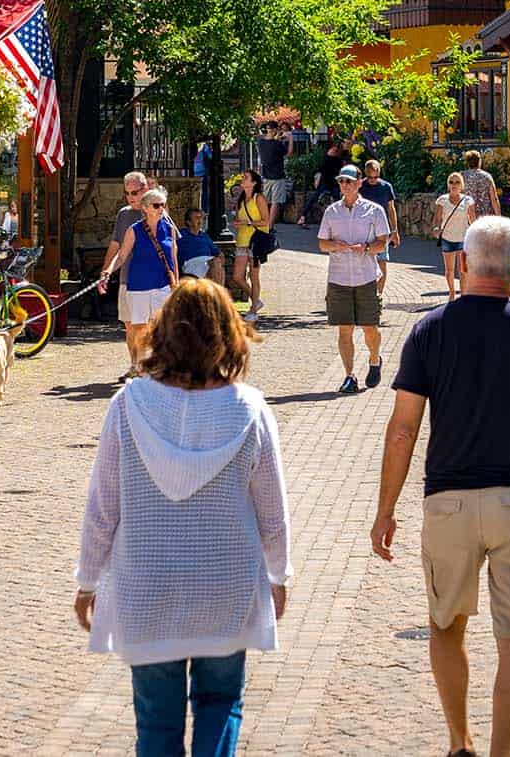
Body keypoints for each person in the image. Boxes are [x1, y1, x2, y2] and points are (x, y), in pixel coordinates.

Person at [371, 218, 510, 757]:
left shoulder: (430, 330)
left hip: (448, 501)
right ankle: (501, 754)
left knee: (446, 625)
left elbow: (403, 429)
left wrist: (386, 509)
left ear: (463, 264)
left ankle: (458, 742)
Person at [76, 279, 292, 757]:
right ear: (227, 334)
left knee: (155, 723)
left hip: (147, 586)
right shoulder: (249, 410)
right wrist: (279, 574)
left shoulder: (127, 406)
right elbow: (272, 512)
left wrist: (88, 580)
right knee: (220, 704)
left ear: (164, 332)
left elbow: (102, 508)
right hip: (225, 584)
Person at [317, 164, 390, 395]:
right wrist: (334, 245)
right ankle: (349, 376)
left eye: (349, 181)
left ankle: (374, 359)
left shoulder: (374, 210)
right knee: (344, 330)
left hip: (366, 276)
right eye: (341, 181)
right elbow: (322, 243)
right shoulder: (332, 212)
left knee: (370, 329)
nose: (344, 185)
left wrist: (367, 247)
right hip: (338, 278)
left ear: (359, 183)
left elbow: (382, 242)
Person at [99, 187, 180, 382]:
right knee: (139, 329)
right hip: (138, 286)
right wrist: (108, 271)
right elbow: (122, 255)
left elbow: (173, 259)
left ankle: (162, 366)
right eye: (156, 205)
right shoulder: (134, 230)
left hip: (162, 286)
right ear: (145, 208)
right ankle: (139, 367)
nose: (161, 209)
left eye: (163, 205)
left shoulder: (169, 228)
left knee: (163, 328)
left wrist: (176, 284)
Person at [99, 171, 151, 322]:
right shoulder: (123, 214)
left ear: (145, 189)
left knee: (149, 327)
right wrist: (105, 272)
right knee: (129, 327)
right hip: (127, 278)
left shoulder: (155, 211)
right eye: (127, 193)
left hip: (151, 280)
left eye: (134, 193)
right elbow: (116, 245)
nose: (130, 197)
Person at [230, 171, 277, 318]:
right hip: (242, 241)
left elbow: (266, 222)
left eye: (246, 178)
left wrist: (248, 223)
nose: (243, 179)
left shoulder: (259, 198)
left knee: (254, 275)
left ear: (254, 183)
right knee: (237, 276)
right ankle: (255, 299)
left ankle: (253, 310)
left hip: (256, 242)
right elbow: (239, 219)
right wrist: (238, 223)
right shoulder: (241, 199)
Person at [358, 157, 400, 299]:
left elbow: (391, 209)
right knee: (363, 266)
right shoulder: (359, 186)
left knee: (382, 265)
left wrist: (395, 231)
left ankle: (378, 298)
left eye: (376, 177)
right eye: (370, 177)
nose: (373, 180)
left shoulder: (386, 187)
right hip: (364, 232)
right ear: (365, 173)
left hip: (382, 232)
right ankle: (365, 297)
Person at [434, 174, 474, 301]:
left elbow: (472, 220)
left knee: (463, 271)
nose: (454, 184)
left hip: (463, 238)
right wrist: (436, 228)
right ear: (448, 185)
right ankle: (451, 293)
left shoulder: (468, 201)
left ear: (461, 185)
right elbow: (437, 219)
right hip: (447, 238)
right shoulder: (442, 200)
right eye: (451, 182)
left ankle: (463, 296)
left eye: (457, 182)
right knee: (449, 271)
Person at [460, 149, 499, 222]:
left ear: (467, 163)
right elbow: (494, 199)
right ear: (479, 162)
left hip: (468, 216)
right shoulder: (487, 176)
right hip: (485, 216)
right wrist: (499, 218)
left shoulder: (462, 176)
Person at [179, 210, 220, 280]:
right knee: (215, 263)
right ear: (188, 222)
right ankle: (219, 290)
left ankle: (215, 289)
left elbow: (217, 252)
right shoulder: (180, 234)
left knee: (217, 264)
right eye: (196, 218)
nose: (200, 220)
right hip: (191, 264)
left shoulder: (205, 236)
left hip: (207, 263)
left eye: (201, 217)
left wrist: (220, 259)